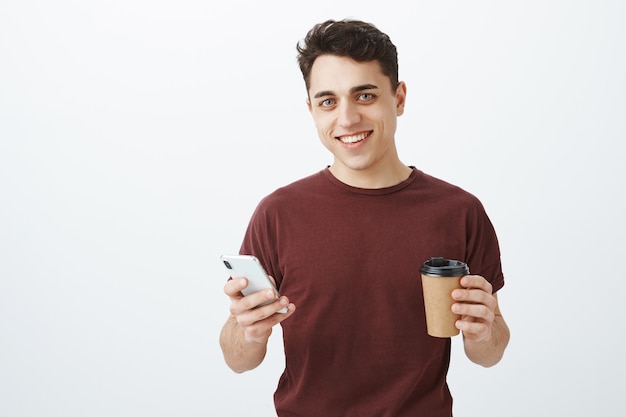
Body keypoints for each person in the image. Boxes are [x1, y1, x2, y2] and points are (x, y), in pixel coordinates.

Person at [219, 18, 510, 416]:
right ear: (311, 110)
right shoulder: (277, 214)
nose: (347, 119)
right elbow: (238, 359)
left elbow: (489, 352)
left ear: (399, 98)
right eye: (328, 101)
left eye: (365, 95)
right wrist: (249, 332)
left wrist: (484, 329)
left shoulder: (459, 212)